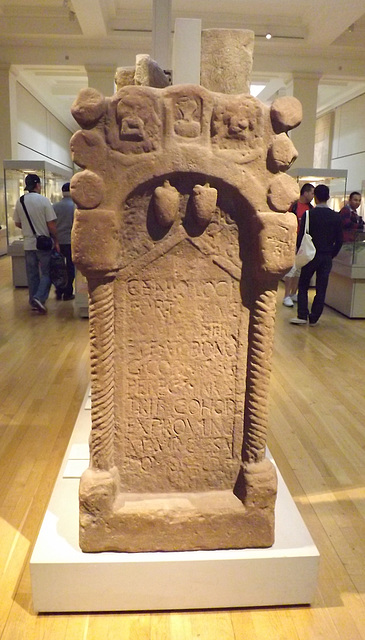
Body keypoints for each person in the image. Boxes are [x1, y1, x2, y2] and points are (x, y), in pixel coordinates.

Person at [290, 184, 343, 326]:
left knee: (304, 284)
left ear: (316, 197)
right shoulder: (336, 217)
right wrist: (331, 254)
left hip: (310, 255)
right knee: (321, 287)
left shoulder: (309, 214)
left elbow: (301, 236)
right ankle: (314, 317)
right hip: (326, 256)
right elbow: (339, 240)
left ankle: (302, 314)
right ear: (328, 197)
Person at [13, 173, 59, 314]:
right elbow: (51, 224)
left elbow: (17, 222)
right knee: (47, 272)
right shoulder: (44, 201)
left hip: (28, 243)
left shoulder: (20, 201)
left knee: (32, 274)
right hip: (43, 243)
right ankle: (39, 297)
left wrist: (28, 230)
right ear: (38, 185)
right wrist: (56, 240)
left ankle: (34, 301)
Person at [283, 183, 314, 307]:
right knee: (291, 269)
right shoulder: (294, 206)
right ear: (305, 193)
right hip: (293, 240)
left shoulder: (310, 209)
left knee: (299, 270)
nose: (313, 196)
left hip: (303, 242)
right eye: (311, 193)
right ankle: (286, 295)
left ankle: (293, 293)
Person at [53, 182, 75, 300]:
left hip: (58, 241)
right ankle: (68, 292)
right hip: (71, 241)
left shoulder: (55, 206)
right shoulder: (74, 206)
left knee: (58, 267)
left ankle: (59, 289)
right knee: (70, 267)